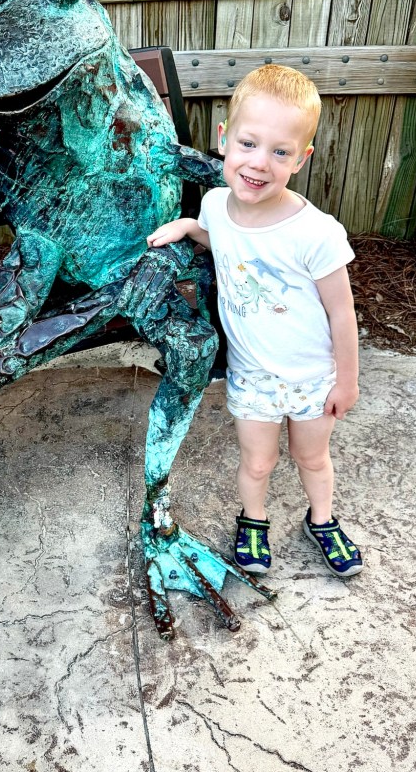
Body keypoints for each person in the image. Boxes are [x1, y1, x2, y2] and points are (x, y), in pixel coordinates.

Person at [147, 64, 362, 579]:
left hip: (313, 377)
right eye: (248, 144)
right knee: (258, 462)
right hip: (252, 377)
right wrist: (189, 225)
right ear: (224, 139)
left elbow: (342, 311)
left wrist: (347, 381)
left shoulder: (316, 233)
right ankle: (254, 519)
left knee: (312, 458)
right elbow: (221, 240)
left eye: (280, 152)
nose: (260, 163)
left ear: (301, 159)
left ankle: (322, 519)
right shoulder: (216, 205)